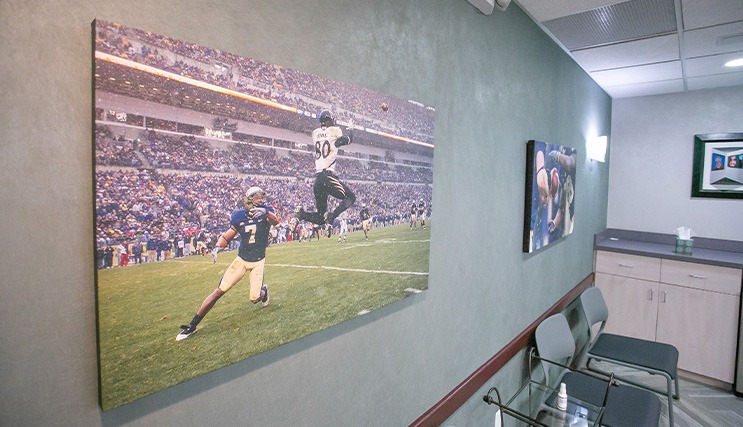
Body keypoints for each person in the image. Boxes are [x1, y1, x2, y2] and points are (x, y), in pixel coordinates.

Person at [176, 186, 280, 341]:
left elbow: (275, 222)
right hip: (241, 260)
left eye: (261, 197)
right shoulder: (239, 216)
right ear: (249, 199)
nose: (261, 200)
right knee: (219, 291)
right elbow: (229, 235)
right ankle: (192, 325)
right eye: (257, 197)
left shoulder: (266, 211)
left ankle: (263, 292)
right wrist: (218, 247)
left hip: (258, 261)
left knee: (254, 298)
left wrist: (265, 212)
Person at [297, 109, 356, 226]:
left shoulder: (315, 133)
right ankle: (332, 216)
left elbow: (324, 138)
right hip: (327, 176)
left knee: (320, 219)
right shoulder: (334, 131)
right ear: (330, 120)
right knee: (351, 197)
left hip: (318, 180)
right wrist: (351, 130)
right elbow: (348, 140)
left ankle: (302, 215)